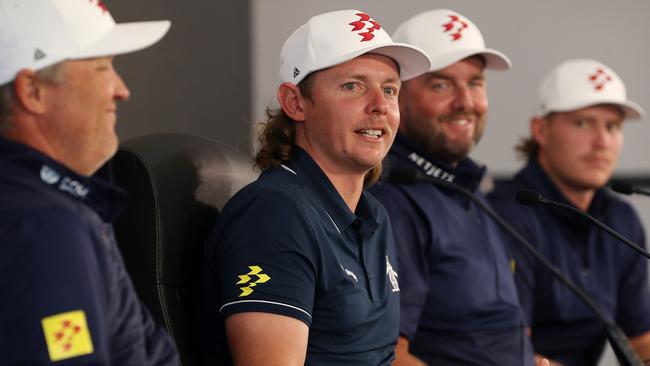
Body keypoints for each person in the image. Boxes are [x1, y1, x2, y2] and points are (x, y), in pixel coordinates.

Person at [198, 9, 431, 366]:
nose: (380, 106)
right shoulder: (275, 214)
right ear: (295, 103)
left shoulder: (375, 215)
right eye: (353, 86)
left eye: (389, 89)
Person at [0, 0, 177, 364]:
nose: (121, 89)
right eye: (102, 68)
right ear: (32, 91)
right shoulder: (43, 224)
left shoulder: (58, 207)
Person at [369, 9, 536, 365]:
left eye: (475, 82)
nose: (465, 102)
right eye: (441, 84)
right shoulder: (392, 198)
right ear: (395, 96)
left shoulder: (467, 186)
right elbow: (387, 356)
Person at [488, 59, 650, 365]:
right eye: (583, 123)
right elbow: (506, 353)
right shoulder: (507, 214)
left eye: (613, 126)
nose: (602, 142)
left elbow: (640, 340)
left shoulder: (621, 217)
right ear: (541, 130)